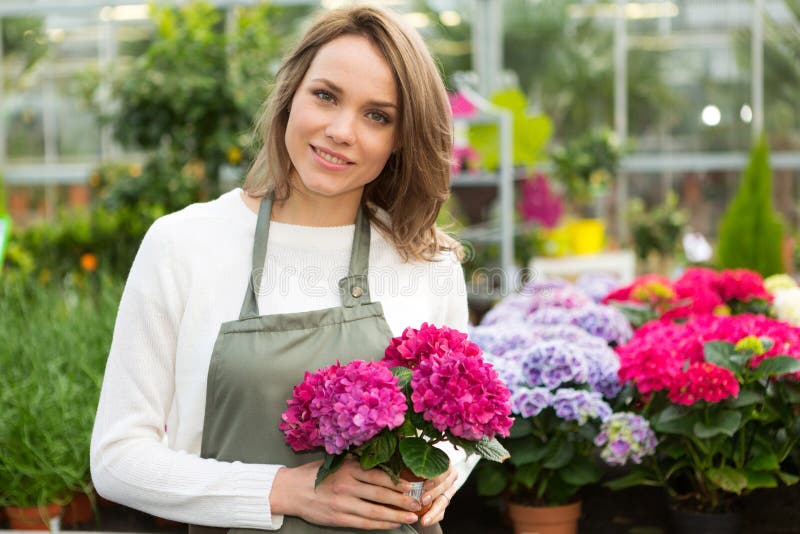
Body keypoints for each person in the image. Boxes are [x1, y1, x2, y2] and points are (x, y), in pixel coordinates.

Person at [90, 6, 476, 534]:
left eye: (377, 115)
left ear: (402, 138)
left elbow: (459, 426)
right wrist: (284, 491)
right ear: (291, 94)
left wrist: (443, 474)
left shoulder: (424, 258)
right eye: (326, 96)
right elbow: (116, 459)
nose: (341, 130)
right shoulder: (184, 244)